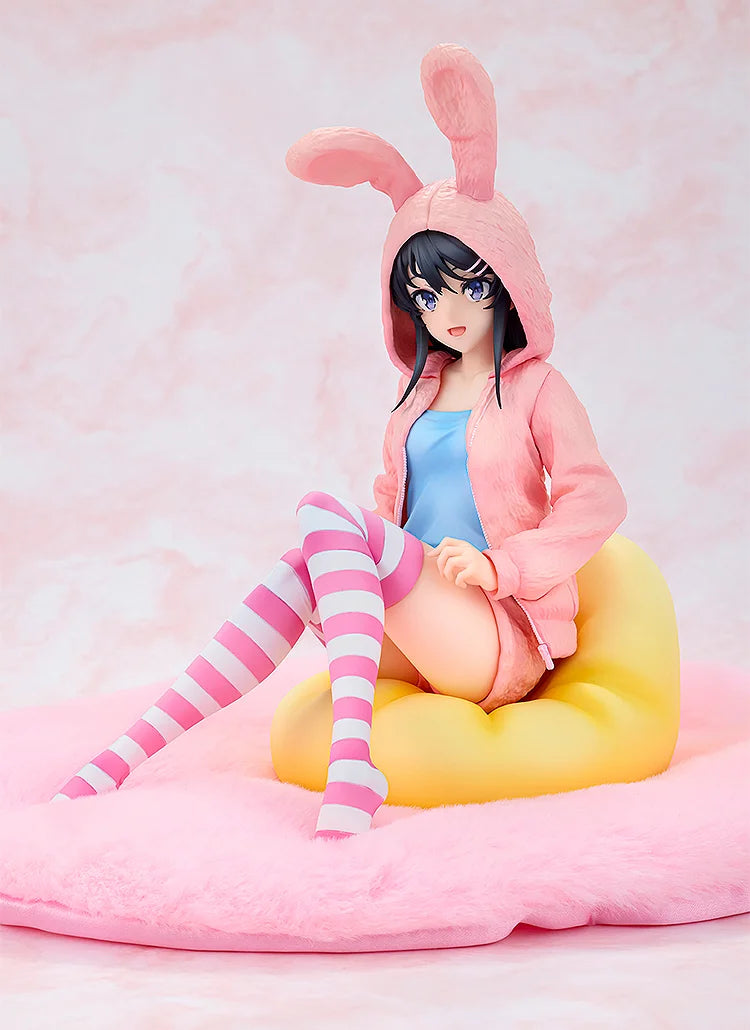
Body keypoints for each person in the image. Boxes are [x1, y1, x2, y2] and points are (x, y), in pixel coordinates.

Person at [50, 43, 628, 841]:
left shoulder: (537, 391)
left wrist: (505, 566)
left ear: (506, 279)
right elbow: (392, 512)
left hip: (494, 636)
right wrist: (348, 574)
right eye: (423, 295)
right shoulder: (417, 399)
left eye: (466, 285)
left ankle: (349, 761)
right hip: (418, 628)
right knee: (306, 561)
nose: (446, 313)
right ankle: (126, 755)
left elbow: (598, 500)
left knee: (324, 516)